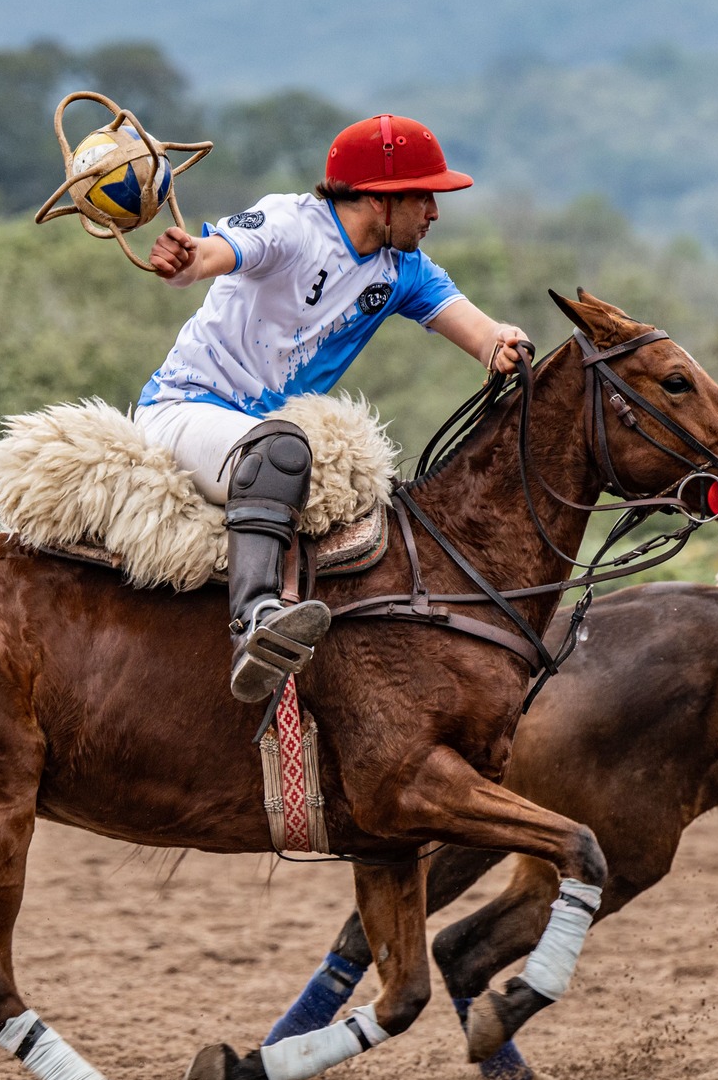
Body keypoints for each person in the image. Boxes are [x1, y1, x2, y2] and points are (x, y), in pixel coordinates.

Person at [139, 114, 530, 704]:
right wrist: (185, 261)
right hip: (186, 411)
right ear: (379, 198)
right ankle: (255, 623)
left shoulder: (404, 269)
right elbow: (212, 255)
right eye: (423, 196)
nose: (434, 212)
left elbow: (481, 333)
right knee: (283, 449)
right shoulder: (291, 224)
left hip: (265, 438)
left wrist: (503, 344)